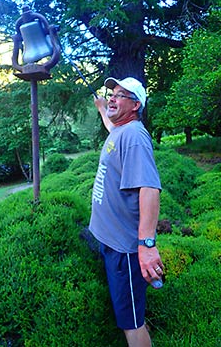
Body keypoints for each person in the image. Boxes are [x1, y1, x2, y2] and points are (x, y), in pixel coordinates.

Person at [89, 77, 163, 347]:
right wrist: (101, 108)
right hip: (111, 241)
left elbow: (150, 189)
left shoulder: (133, 136)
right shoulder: (122, 131)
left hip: (126, 250)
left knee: (132, 322)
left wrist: (146, 245)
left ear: (135, 105)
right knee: (125, 315)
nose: (112, 98)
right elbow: (112, 128)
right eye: (112, 93)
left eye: (120, 95)